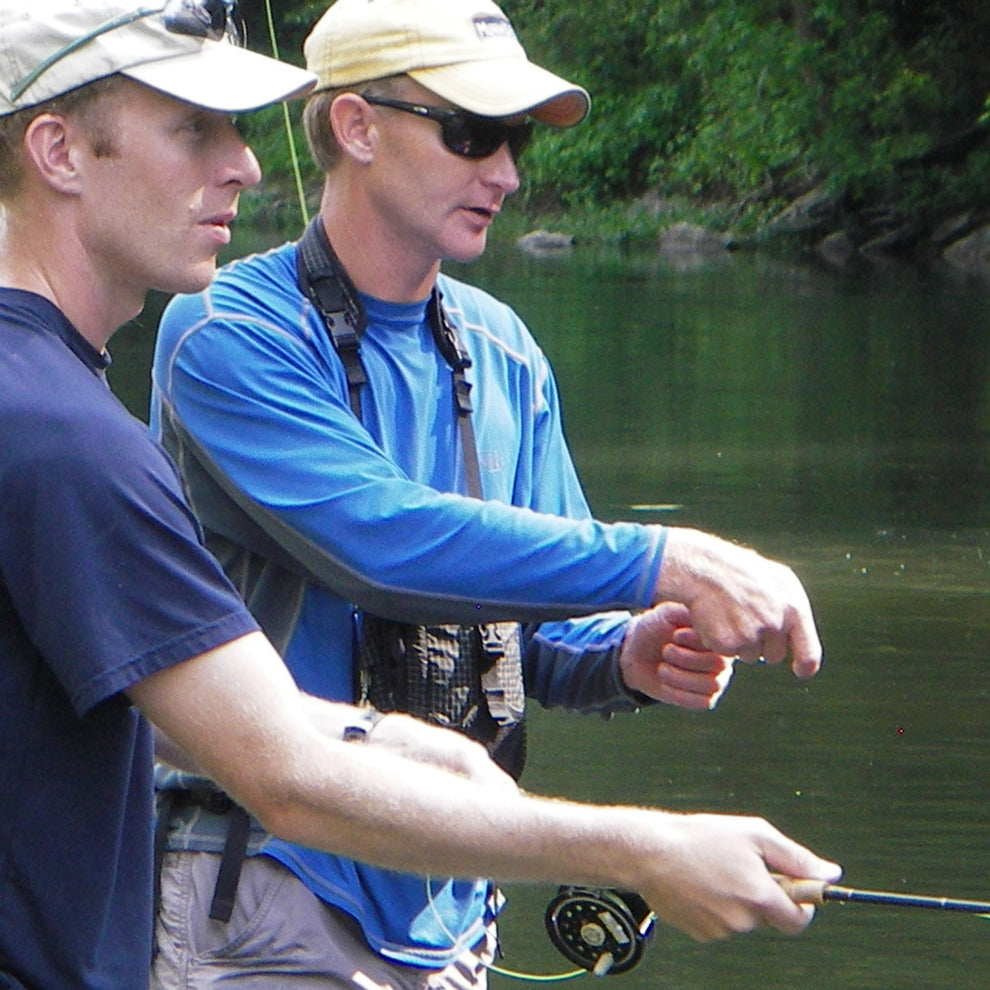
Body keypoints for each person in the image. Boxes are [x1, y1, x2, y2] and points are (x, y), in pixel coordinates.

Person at [0, 3, 843, 989]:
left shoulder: (503, 352)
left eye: (514, 140)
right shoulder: (188, 356)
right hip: (272, 889)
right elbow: (377, 550)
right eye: (472, 133)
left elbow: (516, 623)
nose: (507, 172)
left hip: (452, 910)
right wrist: (645, 834)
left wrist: (622, 652)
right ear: (356, 128)